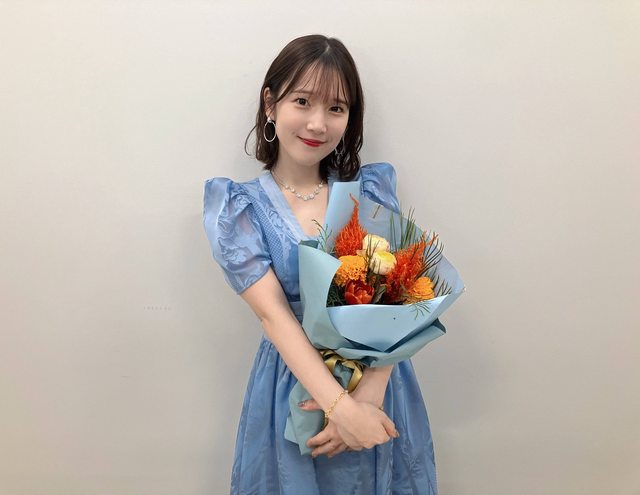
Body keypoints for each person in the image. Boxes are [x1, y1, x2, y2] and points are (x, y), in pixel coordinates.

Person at [203, 34, 438, 495]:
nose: (317, 123)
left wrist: (370, 394)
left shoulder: (369, 191)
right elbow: (274, 316)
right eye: (302, 101)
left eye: (336, 108)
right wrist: (342, 409)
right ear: (270, 104)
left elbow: (404, 294)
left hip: (382, 383)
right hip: (295, 385)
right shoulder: (238, 207)